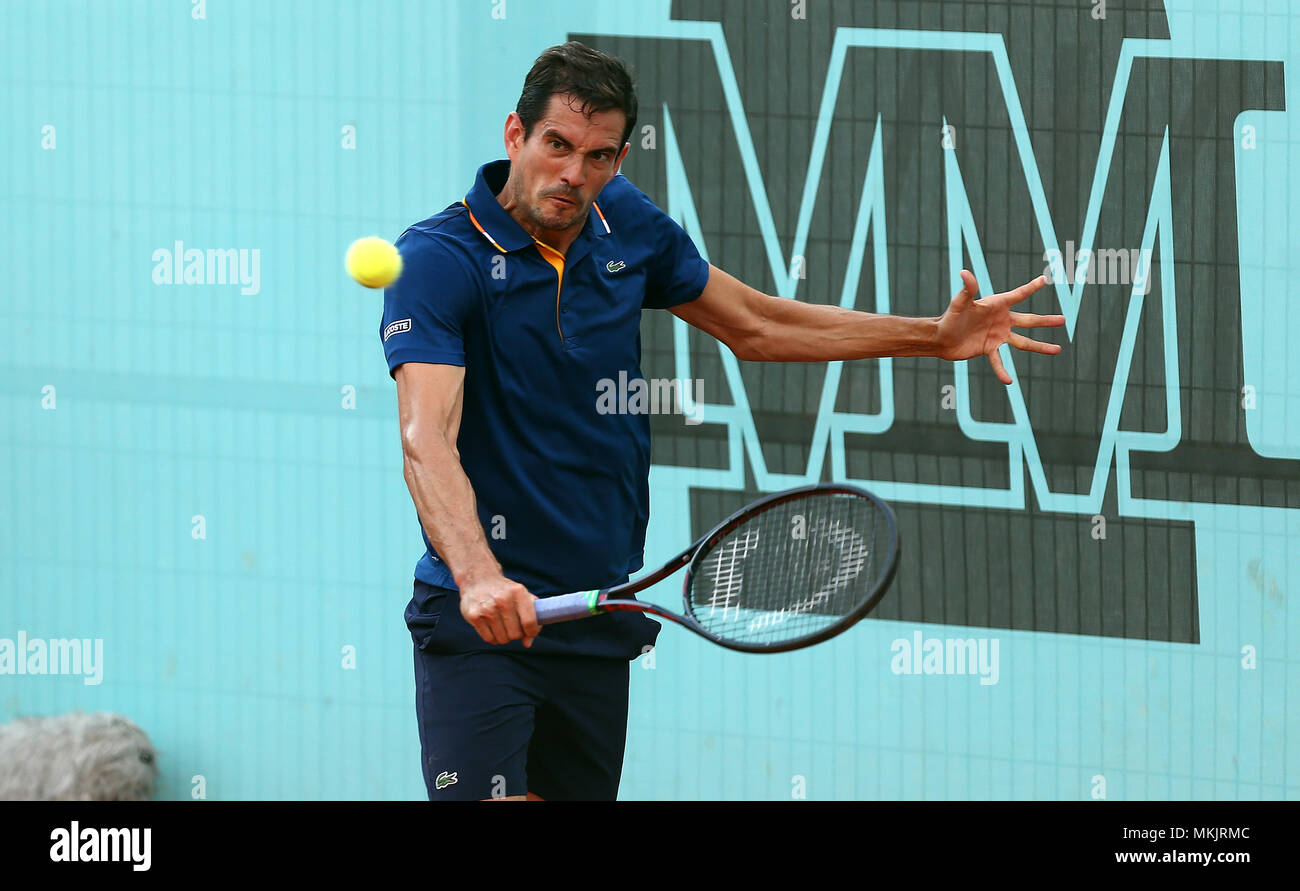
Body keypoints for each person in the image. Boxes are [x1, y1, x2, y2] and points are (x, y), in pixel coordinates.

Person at [380, 40, 1065, 801]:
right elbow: (425, 438)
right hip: (481, 625)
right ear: (515, 134)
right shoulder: (439, 260)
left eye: (600, 156)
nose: (575, 176)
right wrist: (479, 577)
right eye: (557, 146)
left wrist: (931, 338)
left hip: (594, 617)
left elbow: (757, 324)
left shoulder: (624, 224)